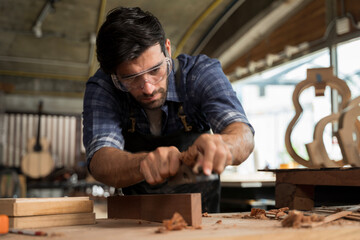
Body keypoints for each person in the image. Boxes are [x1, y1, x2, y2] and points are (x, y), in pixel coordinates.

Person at [82, 6, 255, 213]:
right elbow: (100, 160)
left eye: (156, 70)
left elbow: (242, 134)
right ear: (114, 75)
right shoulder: (103, 87)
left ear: (168, 49)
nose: (148, 88)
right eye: (131, 78)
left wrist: (225, 145)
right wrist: (143, 163)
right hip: (135, 218)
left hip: (204, 214)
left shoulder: (199, 74)